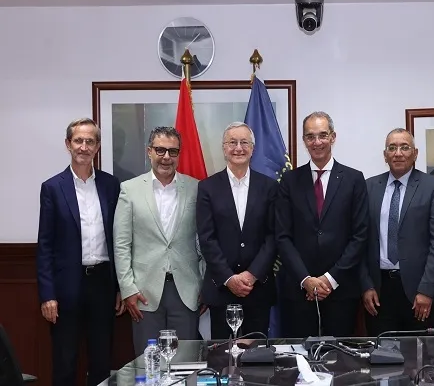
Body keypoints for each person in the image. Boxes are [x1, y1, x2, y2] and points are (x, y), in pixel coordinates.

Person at [36, 118, 124, 386]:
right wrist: (47, 294)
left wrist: (120, 286)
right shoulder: (53, 188)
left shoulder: (111, 185)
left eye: (90, 141)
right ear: (68, 144)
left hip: (103, 284)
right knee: (65, 361)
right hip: (66, 287)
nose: (84, 147)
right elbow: (45, 245)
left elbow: (119, 239)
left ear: (97, 146)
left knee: (101, 361)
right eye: (78, 141)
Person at [275, 111, 369, 338]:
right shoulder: (289, 181)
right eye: (310, 136)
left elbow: (360, 236)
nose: (316, 142)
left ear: (333, 137)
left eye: (322, 135)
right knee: (298, 355)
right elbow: (282, 236)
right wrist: (306, 280)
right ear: (304, 140)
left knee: (339, 357)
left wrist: (329, 279)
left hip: (341, 290)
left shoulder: (354, 179)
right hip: (299, 291)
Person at [113, 126, 202, 355]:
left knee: (184, 362)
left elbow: (203, 240)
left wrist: (203, 283)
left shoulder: (196, 188)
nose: (166, 157)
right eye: (160, 150)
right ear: (149, 151)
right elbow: (121, 244)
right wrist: (127, 289)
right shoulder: (129, 189)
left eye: (173, 151)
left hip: (186, 291)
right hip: (144, 293)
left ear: (179, 154)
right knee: (148, 363)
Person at [360, 128, 434, 335]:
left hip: (421, 291)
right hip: (379, 292)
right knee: (382, 352)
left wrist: (426, 290)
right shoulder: (369, 187)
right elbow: (360, 241)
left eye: (404, 147)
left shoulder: (433, 187)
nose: (398, 153)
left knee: (422, 353)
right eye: (392, 148)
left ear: (415, 153)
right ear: (385, 155)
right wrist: (366, 285)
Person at [196, 122, 278, 339]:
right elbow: (206, 238)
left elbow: (273, 236)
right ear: (224, 148)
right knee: (222, 354)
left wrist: (252, 275)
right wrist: (229, 278)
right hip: (221, 289)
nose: (238, 148)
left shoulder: (270, 187)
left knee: (256, 354)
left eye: (244, 142)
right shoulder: (207, 187)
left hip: (258, 288)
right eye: (232, 142)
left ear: (253, 148)